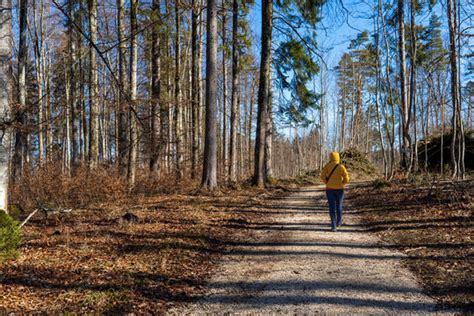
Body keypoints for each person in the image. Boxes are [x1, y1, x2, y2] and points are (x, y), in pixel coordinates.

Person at [320, 151, 350, 232]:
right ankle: (339, 222)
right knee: (339, 206)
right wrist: (342, 183)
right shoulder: (341, 166)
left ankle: (333, 226)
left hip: (329, 189)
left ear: (330, 157)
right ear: (338, 157)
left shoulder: (327, 166)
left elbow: (322, 176)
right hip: (340, 190)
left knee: (332, 207)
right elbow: (347, 178)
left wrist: (327, 183)